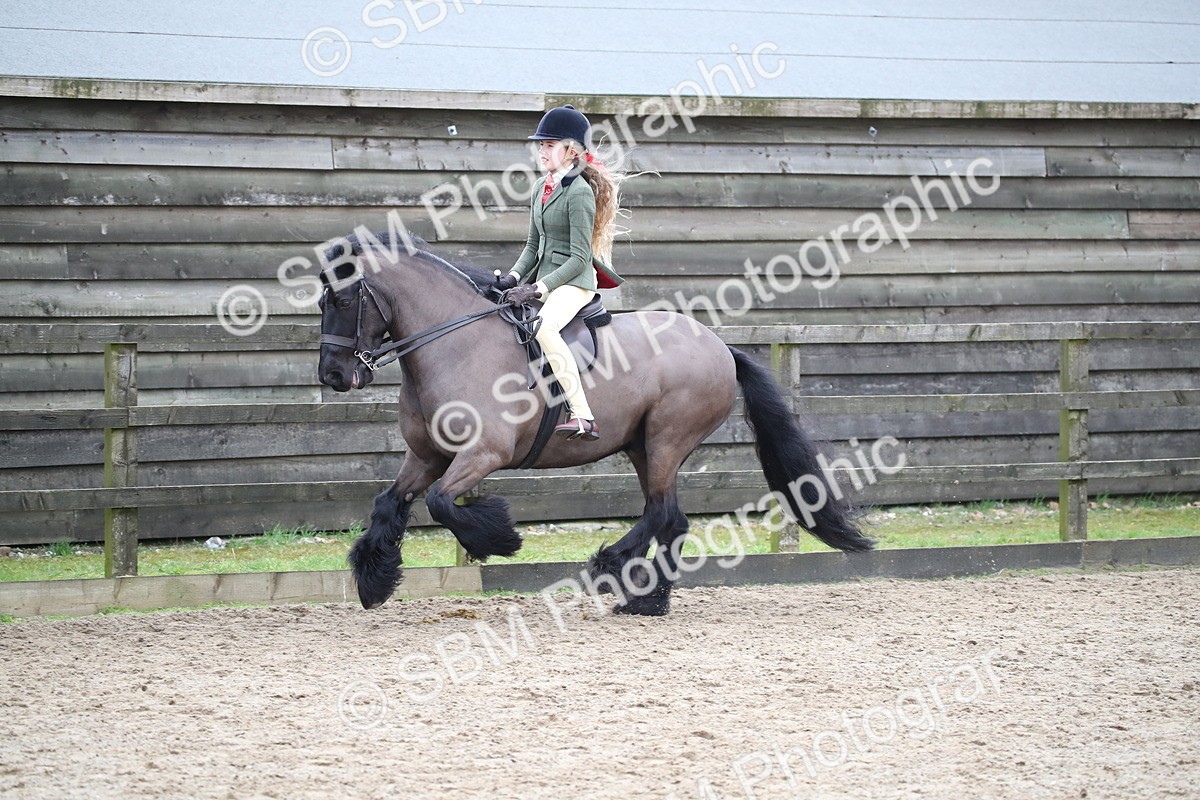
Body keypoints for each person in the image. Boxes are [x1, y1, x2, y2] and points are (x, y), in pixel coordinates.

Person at [497, 104, 627, 441]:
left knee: (543, 328)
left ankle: (583, 416)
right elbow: (532, 244)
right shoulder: (541, 188)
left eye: (549, 145)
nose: (541, 150)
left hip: (574, 282)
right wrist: (512, 278)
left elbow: (580, 257)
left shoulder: (580, 192)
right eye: (540, 144)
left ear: (571, 151)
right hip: (545, 279)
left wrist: (537, 288)